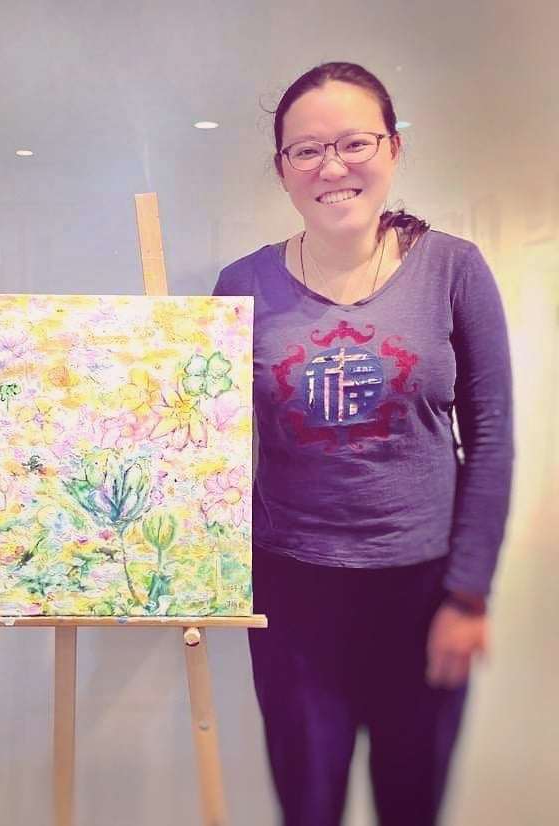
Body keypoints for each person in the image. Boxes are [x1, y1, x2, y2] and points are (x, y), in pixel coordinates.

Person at [212, 62, 514, 826]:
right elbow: (208, 452)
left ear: (392, 148)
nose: (332, 167)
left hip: (425, 595)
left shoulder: (454, 269)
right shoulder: (240, 285)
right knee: (308, 807)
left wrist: (468, 595)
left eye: (354, 143)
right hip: (291, 597)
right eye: (307, 150)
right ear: (283, 168)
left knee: (411, 805)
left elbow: (491, 437)